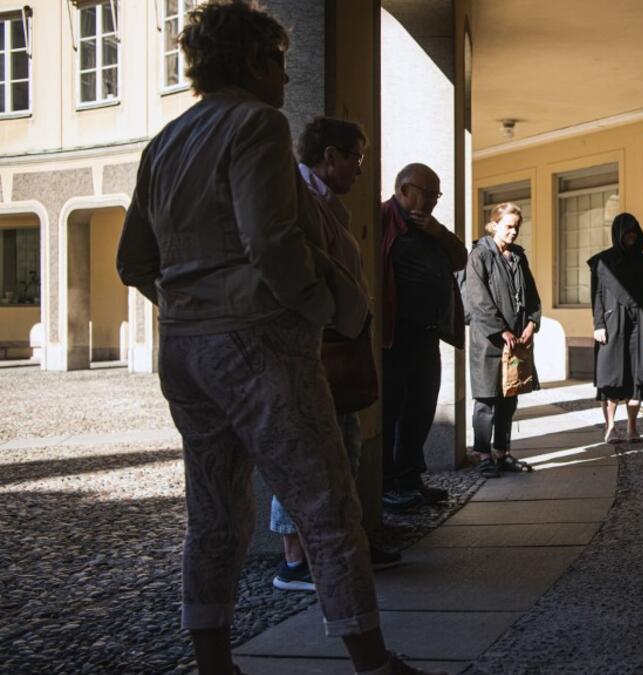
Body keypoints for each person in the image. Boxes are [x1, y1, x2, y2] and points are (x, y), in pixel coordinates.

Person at [115, 3, 437, 674]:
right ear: (254, 61)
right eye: (280, 61)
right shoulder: (256, 123)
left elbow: (133, 263)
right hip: (257, 342)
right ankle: (373, 661)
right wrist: (322, 311)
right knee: (326, 500)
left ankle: (214, 663)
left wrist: (186, 304)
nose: (288, 77)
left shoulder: (165, 141)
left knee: (213, 511)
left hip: (184, 348)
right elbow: (270, 241)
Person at [269, 116, 402, 594]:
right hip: (314, 345)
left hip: (335, 343)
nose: (360, 171)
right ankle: (295, 560)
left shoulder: (325, 202)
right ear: (330, 157)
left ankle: (342, 546)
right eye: (357, 159)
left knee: (341, 448)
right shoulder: (298, 198)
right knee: (304, 450)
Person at [379, 163, 467, 513]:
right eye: (427, 194)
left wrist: (440, 233)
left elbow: (460, 259)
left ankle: (411, 478)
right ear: (404, 189)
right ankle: (387, 484)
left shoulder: (428, 228)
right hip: (395, 336)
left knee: (421, 408)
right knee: (391, 410)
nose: (432, 201)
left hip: (427, 334)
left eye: (436, 195)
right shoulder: (386, 218)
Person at [463, 203, 541, 477]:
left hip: (516, 342)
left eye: (517, 227)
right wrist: (501, 330)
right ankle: (483, 455)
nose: (514, 232)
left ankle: (502, 452)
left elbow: (531, 294)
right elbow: (477, 299)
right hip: (488, 342)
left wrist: (532, 322)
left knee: (509, 398)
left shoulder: (518, 256)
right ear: (494, 225)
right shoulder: (479, 255)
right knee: (486, 401)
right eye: (508, 226)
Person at [589, 213, 643, 444]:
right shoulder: (603, 262)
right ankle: (611, 428)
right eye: (627, 231)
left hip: (639, 324)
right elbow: (597, 296)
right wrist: (599, 325)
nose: (631, 236)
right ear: (618, 233)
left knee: (637, 378)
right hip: (612, 324)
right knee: (611, 377)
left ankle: (632, 427)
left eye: (634, 231)